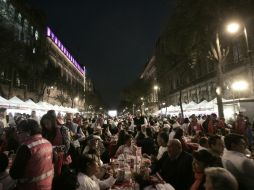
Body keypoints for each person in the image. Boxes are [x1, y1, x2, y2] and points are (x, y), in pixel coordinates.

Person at [10, 119, 54, 190]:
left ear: (28, 132)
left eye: (19, 132)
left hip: (30, 186)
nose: (18, 135)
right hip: (47, 185)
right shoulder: (47, 143)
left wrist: (13, 161)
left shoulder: (26, 147)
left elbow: (14, 174)